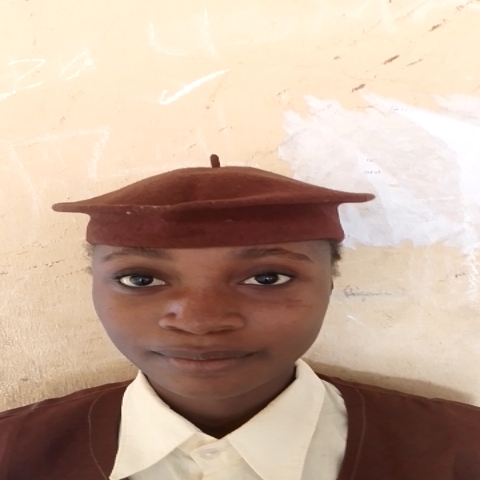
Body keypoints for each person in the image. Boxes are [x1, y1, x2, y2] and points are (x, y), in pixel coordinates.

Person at [1, 155, 479, 480]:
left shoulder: (460, 450)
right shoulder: (14, 452)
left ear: (329, 284)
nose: (199, 321)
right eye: (140, 279)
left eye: (267, 278)